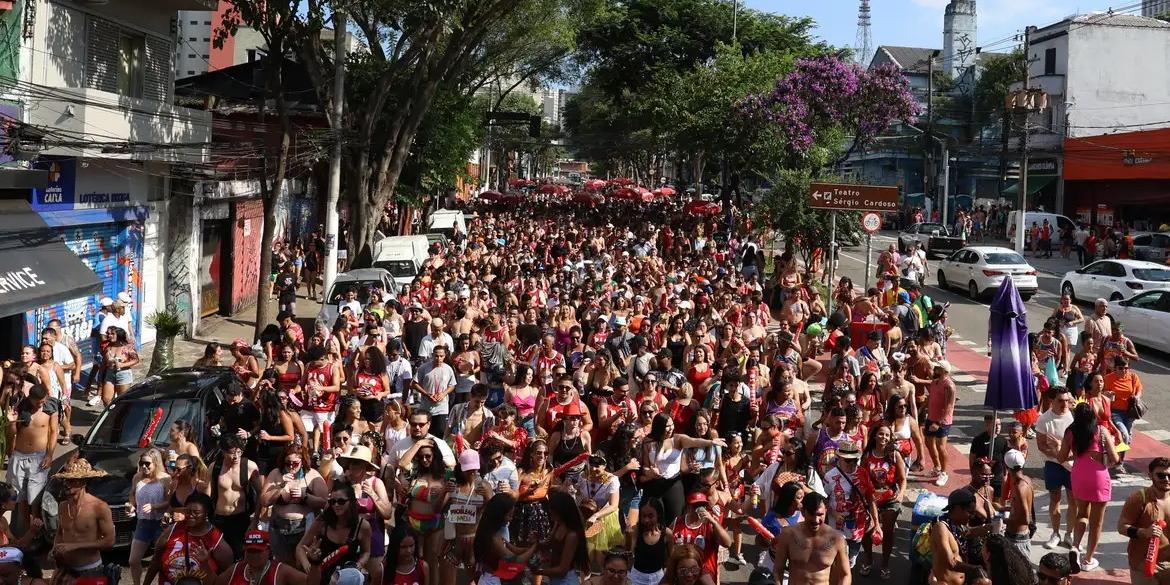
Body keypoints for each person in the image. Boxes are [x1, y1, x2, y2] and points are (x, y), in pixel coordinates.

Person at [1059, 401, 1119, 572]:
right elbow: (1114, 459)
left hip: (1078, 476)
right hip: (1099, 477)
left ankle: (1075, 547)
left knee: (1082, 514)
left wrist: (1075, 456)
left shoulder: (1070, 432)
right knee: (1097, 523)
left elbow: (1061, 457)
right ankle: (1088, 559)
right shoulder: (1101, 431)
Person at [146, 490, 233, 585]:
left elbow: (227, 576)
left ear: (206, 513)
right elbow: (155, 561)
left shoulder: (215, 539)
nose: (190, 515)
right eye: (187, 511)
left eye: (196, 512)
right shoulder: (173, 529)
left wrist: (205, 564)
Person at [260, 444, 328, 565]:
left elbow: (325, 503)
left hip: (304, 529)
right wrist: (280, 487)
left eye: (295, 463)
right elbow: (264, 501)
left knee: (301, 565)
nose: (291, 466)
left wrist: (305, 496)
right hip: (279, 528)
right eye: (288, 463)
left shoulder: (312, 475)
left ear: (303, 461)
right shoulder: (276, 474)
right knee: (283, 565)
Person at [295, 481, 372, 584]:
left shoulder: (363, 526)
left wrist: (359, 564)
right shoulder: (322, 521)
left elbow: (366, 552)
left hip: (347, 579)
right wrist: (309, 566)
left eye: (341, 501)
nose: (336, 505)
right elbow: (301, 547)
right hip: (322, 577)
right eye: (332, 502)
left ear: (352, 501)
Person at [50, 458, 115, 580]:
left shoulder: (99, 507)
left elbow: (109, 541)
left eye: (71, 480)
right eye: (65, 480)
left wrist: (75, 546)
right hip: (65, 569)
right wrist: (54, 549)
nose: (66, 484)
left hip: (90, 569)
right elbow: (60, 533)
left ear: (83, 482)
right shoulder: (63, 506)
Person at [6, 383, 56, 533]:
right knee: (21, 498)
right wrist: (11, 422)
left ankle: (36, 532)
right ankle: (27, 530)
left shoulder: (50, 408)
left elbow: (53, 432)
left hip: (39, 457)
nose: (40, 404)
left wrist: (50, 454)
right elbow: (12, 433)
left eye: (42, 401)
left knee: (35, 499)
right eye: (37, 402)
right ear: (31, 399)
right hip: (19, 457)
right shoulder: (21, 408)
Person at [772, 492, 851, 585]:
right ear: (803, 512)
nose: (816, 520)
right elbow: (778, 570)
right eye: (812, 514)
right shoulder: (788, 535)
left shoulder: (837, 539)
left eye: (820, 514)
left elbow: (845, 575)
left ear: (826, 511)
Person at [1118, 457, 1170, 585]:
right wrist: (1144, 532)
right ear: (1150, 475)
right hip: (1143, 564)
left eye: (1169, 475)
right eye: (1161, 475)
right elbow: (1122, 527)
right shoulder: (1139, 499)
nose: (1167, 480)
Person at [211, 435, 264, 559]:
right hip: (220, 518)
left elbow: (261, 494)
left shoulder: (249, 466)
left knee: (241, 555)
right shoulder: (215, 467)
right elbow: (208, 494)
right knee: (219, 557)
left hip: (241, 518)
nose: (236, 457)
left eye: (239, 452)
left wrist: (255, 519)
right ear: (223, 452)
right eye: (231, 453)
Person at [1036, 386, 1076, 549]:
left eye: (1067, 400)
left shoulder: (1074, 417)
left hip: (1073, 466)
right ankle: (1055, 533)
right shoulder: (1044, 419)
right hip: (1053, 465)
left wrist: (1063, 452)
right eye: (1060, 401)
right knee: (1055, 500)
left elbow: (1079, 444)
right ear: (1052, 401)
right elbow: (1040, 445)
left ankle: (1069, 534)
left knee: (1074, 502)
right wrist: (1056, 453)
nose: (1065, 404)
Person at [129, 448, 170, 585]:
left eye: (147, 464)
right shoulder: (137, 477)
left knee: (162, 561)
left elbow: (169, 502)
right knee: (133, 560)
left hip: (160, 524)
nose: (144, 467)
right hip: (143, 522)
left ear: (156, 463)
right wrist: (131, 505)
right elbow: (132, 494)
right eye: (141, 463)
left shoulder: (165, 478)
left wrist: (154, 507)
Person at [213, 529, 306, 585]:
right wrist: (205, 564)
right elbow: (213, 583)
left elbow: (312, 582)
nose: (254, 555)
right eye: (250, 551)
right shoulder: (236, 568)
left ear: (268, 550)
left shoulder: (281, 571)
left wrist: (315, 563)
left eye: (258, 551)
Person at [535, 491, 590, 585]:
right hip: (555, 579)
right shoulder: (558, 524)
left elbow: (562, 569)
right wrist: (536, 541)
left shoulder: (572, 535)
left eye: (553, 512)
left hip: (566, 580)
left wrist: (539, 571)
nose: (551, 515)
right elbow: (548, 543)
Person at [929, 488, 982, 585]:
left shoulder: (958, 525)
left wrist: (987, 528)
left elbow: (968, 533)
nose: (972, 516)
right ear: (957, 508)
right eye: (970, 512)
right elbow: (951, 563)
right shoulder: (941, 528)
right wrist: (975, 569)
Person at [921, 360, 955, 486]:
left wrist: (939, 422)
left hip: (942, 421)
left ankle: (944, 473)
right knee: (928, 442)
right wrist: (922, 408)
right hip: (931, 417)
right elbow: (931, 397)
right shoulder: (935, 382)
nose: (935, 369)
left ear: (944, 371)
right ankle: (937, 467)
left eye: (938, 368)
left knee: (941, 446)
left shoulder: (949, 385)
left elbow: (949, 406)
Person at [413, 345, 456, 438]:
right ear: (432, 355)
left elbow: (452, 385)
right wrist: (426, 394)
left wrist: (444, 394)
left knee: (440, 434)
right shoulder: (424, 368)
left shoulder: (448, 369)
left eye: (441, 356)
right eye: (436, 356)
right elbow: (414, 383)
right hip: (426, 407)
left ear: (445, 356)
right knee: (425, 434)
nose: (439, 358)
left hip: (442, 408)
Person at [1002, 449, 1035, 558]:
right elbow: (1019, 509)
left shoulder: (1019, 488)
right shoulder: (1027, 480)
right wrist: (1004, 509)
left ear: (1006, 467)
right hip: (1020, 537)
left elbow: (1025, 519)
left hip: (1016, 539)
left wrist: (1004, 521)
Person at [101, 326, 139, 405]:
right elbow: (105, 361)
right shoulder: (107, 346)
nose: (109, 335)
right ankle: (110, 415)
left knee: (122, 400)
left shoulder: (127, 347)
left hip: (123, 374)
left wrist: (122, 365)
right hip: (110, 373)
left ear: (119, 335)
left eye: (112, 334)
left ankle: (120, 416)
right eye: (108, 333)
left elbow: (136, 360)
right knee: (106, 399)